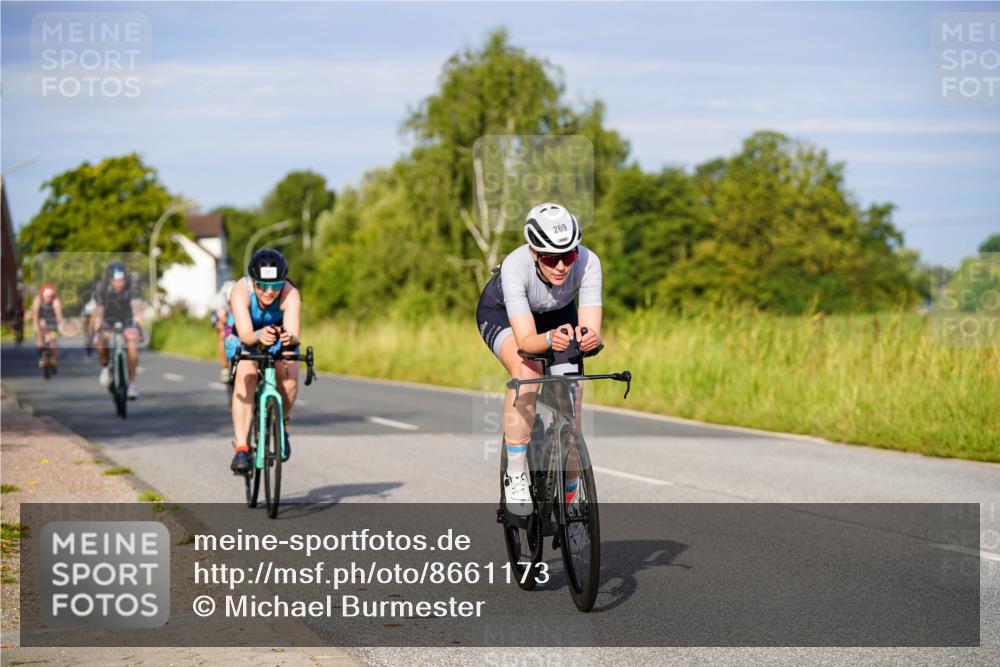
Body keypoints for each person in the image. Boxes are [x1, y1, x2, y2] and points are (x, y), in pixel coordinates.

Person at [476, 203, 603, 516]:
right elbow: (526, 342)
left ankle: (571, 495)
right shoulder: (515, 266)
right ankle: (516, 474)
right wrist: (548, 340)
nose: (561, 267)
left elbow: (591, 330)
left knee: (571, 397)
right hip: (503, 314)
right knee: (528, 371)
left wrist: (592, 340)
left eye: (568, 256)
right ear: (534, 252)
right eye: (550, 258)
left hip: (557, 314)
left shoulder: (589, 262)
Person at [226, 249, 301, 475]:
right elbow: (246, 335)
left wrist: (288, 338)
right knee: (246, 377)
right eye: (262, 286)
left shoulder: (290, 293)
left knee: (289, 379)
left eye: (275, 286)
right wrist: (258, 336)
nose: (269, 292)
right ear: (253, 281)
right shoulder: (240, 291)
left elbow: (293, 334)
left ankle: (282, 425)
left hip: (276, 335)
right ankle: (241, 448)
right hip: (244, 335)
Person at [91, 262, 144, 399]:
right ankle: (105, 367)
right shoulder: (101, 287)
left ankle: (132, 384)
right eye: (115, 280)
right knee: (100, 340)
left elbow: (136, 306)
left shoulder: (133, 285)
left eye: (121, 280)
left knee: (132, 342)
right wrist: (97, 327)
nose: (119, 284)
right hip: (108, 317)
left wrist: (138, 324)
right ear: (109, 279)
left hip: (127, 317)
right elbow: (99, 309)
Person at [29, 284, 64, 368]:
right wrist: (35, 324)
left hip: (52, 321)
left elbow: (59, 314)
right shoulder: (38, 300)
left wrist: (59, 324)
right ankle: (41, 355)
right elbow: (35, 313)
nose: (49, 299)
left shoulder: (56, 300)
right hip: (41, 320)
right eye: (47, 297)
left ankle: (53, 358)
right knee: (40, 339)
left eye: (50, 297)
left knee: (53, 340)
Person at [210, 280, 236, 383]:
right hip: (220, 316)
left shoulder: (241, 295)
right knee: (223, 333)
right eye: (229, 302)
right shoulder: (219, 301)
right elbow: (223, 319)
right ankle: (224, 367)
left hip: (234, 313)